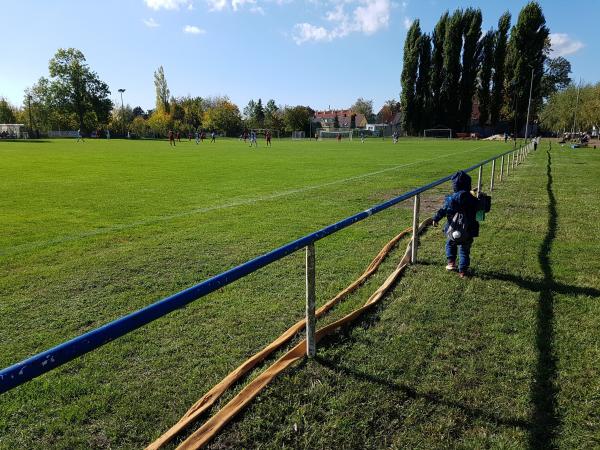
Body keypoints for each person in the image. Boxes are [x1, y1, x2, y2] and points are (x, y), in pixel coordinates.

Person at [432, 171, 480, 278]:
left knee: (450, 244)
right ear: (469, 184)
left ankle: (451, 263)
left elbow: (443, 210)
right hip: (469, 230)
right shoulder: (473, 199)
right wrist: (482, 199)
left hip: (452, 229)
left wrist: (436, 218)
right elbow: (482, 210)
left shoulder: (450, 199)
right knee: (464, 250)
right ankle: (463, 271)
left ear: (455, 185)